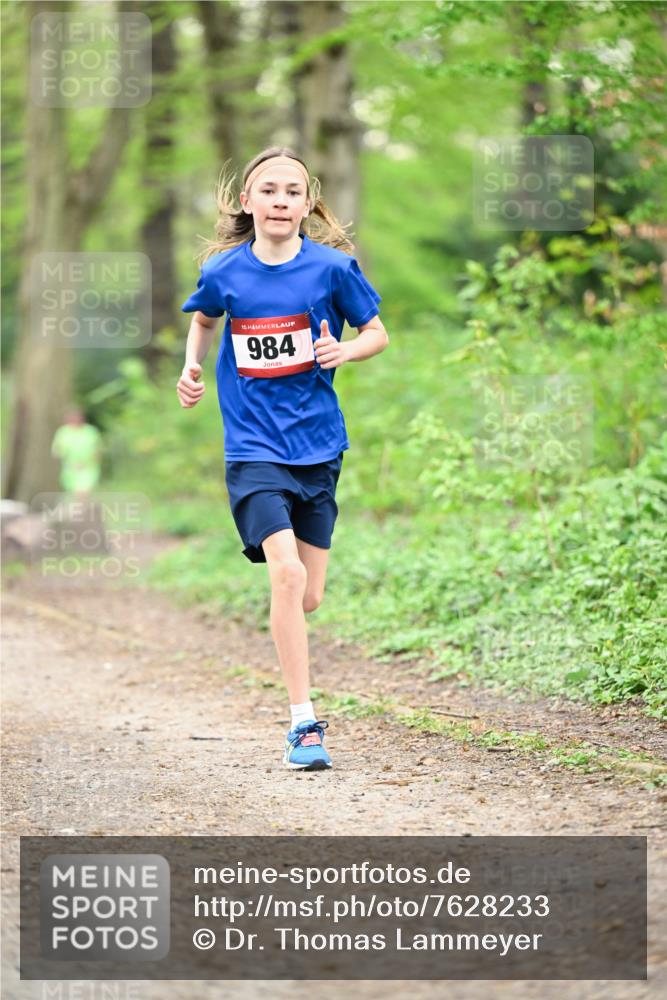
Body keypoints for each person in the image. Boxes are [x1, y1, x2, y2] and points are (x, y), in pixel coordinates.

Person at [177, 146, 388, 772]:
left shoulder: (333, 269)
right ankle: (303, 724)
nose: (280, 201)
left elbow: (376, 332)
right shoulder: (225, 271)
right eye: (268, 190)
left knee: (308, 594)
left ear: (306, 202)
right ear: (248, 202)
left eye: (292, 192)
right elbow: (205, 320)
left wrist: (344, 354)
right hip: (252, 447)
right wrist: (191, 367)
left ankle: (282, 620)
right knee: (287, 576)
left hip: (318, 446)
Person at [50, 406, 103, 498]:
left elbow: (97, 450)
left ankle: (81, 510)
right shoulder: (63, 432)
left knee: (83, 492)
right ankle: (81, 509)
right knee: (74, 493)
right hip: (70, 469)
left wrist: (88, 462)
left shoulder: (90, 431)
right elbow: (57, 451)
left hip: (88, 468)